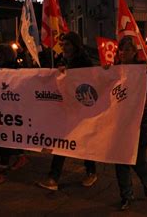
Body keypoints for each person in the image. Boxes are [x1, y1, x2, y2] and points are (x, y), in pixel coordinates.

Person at [37, 32, 97, 191]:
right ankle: (53, 178)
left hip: (81, 109)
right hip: (65, 108)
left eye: (68, 44)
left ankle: (91, 171)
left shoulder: (84, 62)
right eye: (62, 44)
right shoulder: (62, 60)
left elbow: (91, 82)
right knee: (62, 141)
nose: (64, 47)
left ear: (76, 45)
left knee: (83, 140)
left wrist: (69, 73)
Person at [114, 36, 147, 210]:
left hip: (140, 120)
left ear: (135, 52)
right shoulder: (113, 70)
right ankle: (126, 195)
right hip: (119, 121)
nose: (123, 52)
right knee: (120, 158)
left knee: (138, 160)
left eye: (127, 49)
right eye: (121, 49)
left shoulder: (142, 69)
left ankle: (146, 180)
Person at [0, 44, 29, 184]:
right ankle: (20, 156)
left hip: (10, 110)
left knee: (5, 138)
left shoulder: (13, 69)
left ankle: (3, 169)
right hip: (2, 108)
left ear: (3, 55)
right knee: (9, 136)